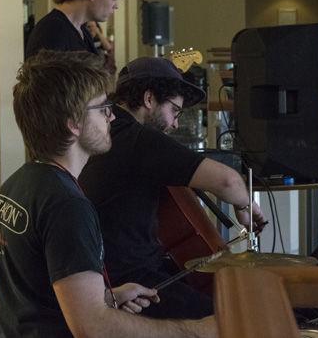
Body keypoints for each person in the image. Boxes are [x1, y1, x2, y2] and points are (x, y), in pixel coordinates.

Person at [0, 50, 215, 337]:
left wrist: (107, 297)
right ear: (73, 122)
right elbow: (93, 328)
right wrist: (199, 331)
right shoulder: (67, 206)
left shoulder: (13, 187)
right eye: (102, 107)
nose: (111, 115)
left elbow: (8, 295)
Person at [79, 56, 267, 320]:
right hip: (133, 281)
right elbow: (229, 181)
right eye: (174, 111)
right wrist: (247, 207)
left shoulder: (109, 131)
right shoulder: (139, 139)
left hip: (106, 274)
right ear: (149, 99)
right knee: (231, 318)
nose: (175, 124)